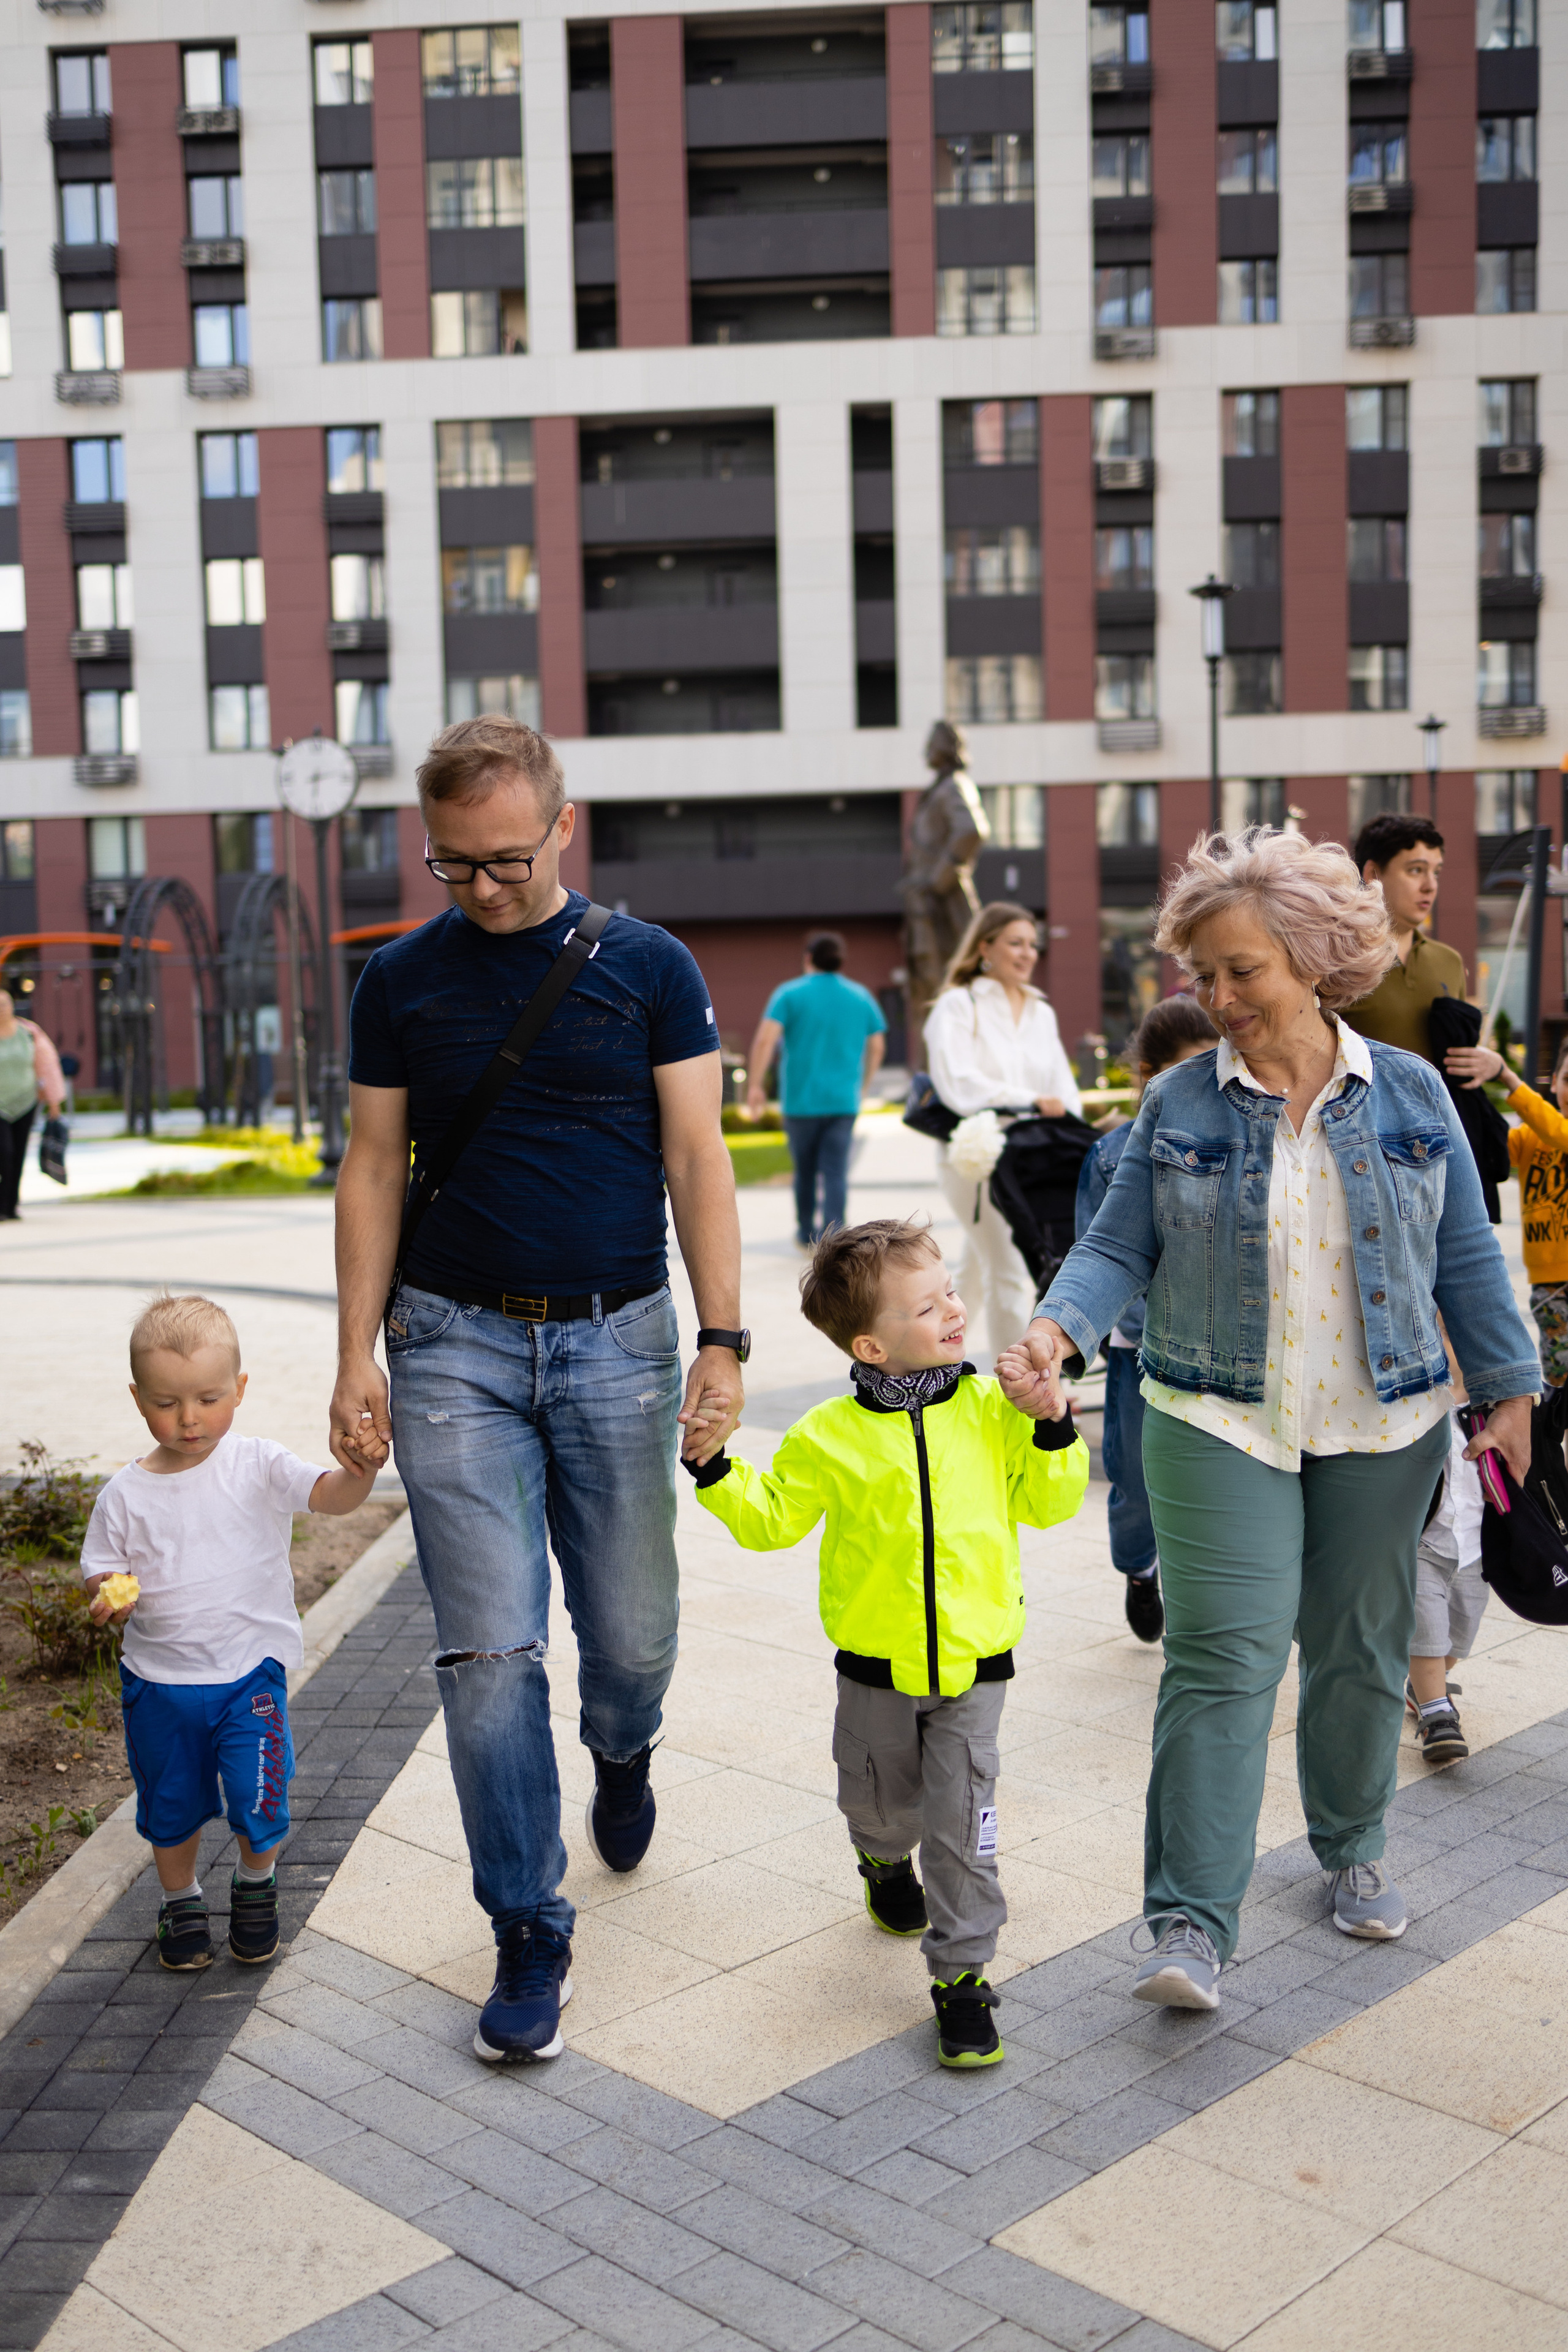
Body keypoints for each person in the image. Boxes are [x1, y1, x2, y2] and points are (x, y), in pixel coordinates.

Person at [1016, 827, 1537, 2011]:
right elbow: (1114, 1246)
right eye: (1203, 974)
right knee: (1222, 1659)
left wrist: (1513, 1395)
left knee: (1358, 1650)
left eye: (1241, 969)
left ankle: (1352, 1847)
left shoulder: (1404, 1091)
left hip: (1385, 1416)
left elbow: (1463, 1256)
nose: (1219, 996)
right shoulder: (1180, 1101)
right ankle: (1189, 1923)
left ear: (1309, 958)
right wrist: (1055, 1333)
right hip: (1215, 1412)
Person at [333, 715, 745, 2067]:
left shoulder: (647, 966)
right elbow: (374, 1167)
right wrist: (355, 1356)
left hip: (619, 1340)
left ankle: (621, 1751)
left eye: (508, 860)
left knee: (627, 1637)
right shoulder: (398, 978)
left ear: (561, 827)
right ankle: (525, 1921)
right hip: (450, 1346)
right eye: (457, 867)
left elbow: (696, 1153)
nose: (487, 888)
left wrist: (724, 1338)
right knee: (488, 1651)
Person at [684, 1219, 1088, 2068]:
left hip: (977, 1669)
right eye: (927, 1303)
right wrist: (716, 1470)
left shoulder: (992, 1409)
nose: (954, 1308)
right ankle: (878, 1862)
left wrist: (1052, 1428)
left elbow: (1049, 1506)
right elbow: (773, 1520)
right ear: (871, 1343)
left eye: (950, 1290)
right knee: (880, 1808)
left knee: (962, 1827)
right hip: (874, 1671)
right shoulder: (829, 1433)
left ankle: (964, 1977)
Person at [81, 1294, 385, 1971]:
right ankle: (180, 1899)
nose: (189, 1419)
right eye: (167, 1403)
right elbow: (101, 1569)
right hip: (159, 1684)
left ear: (240, 1390)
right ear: (138, 1399)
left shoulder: (256, 1464)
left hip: (249, 1675)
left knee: (259, 1795)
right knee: (171, 1804)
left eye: (209, 1398)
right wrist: (108, 1596)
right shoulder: (123, 1496)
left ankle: (255, 1885)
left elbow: (329, 1495)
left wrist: (360, 1472)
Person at [1074, 995, 1217, 1644]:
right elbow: (1099, 1255)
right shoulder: (1108, 1157)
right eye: (1188, 1071)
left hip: (1223, 1349)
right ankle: (1139, 1570)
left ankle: (1207, 1597)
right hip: (1143, 1350)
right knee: (1135, 1480)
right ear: (1148, 1076)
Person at [925, 903, 1081, 1363]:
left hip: (1034, 1156)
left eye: (1033, 944)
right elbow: (957, 1082)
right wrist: (1028, 1099)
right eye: (1015, 943)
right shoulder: (958, 1005)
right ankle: (1025, 1382)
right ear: (984, 948)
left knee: (980, 1267)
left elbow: (1062, 1085)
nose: (1028, 953)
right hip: (980, 1154)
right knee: (1010, 1267)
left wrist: (1069, 1119)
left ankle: (940, 1363)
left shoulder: (1040, 1011)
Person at [746, 933, 887, 1250]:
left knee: (805, 1172)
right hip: (843, 1102)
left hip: (800, 1101)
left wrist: (755, 1085)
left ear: (809, 957)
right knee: (836, 1171)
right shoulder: (860, 996)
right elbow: (877, 1046)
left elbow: (766, 1040)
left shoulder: (789, 993)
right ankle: (835, 1238)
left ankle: (805, 1233)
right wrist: (864, 1085)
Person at [1446, 1035, 1568, 1386]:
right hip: (1548, 1287)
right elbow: (1488, 1152)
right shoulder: (1531, 1135)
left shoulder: (1552, 1129)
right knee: (1559, 1381)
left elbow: (1557, 1130)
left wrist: (1506, 1075)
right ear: (1555, 1081)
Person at [1407, 1336, 1486, 1767]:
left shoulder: (1489, 1405)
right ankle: (1438, 1716)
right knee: (1429, 1630)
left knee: (1461, 1631)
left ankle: (1421, 1686)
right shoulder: (1420, 1404)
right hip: (1425, 1543)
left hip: (1474, 1546)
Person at [1342, 812, 1465, 1061]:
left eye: (1436, 872)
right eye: (1416, 870)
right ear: (1374, 874)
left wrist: (1488, 1065)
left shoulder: (1450, 961)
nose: (1430, 885)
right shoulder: (1337, 959)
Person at [904, 721, 989, 1027]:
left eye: (931, 744)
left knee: (948, 981)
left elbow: (971, 831)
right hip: (926, 901)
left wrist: (937, 882)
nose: (925, 752)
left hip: (944, 904)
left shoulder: (954, 785)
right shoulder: (939, 789)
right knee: (928, 981)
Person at [0, 987, 66, 1221]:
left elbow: (47, 1065)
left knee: (17, 1154)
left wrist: (53, 1103)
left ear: (12, 1006)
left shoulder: (29, 1032)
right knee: (4, 1153)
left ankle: (11, 1206)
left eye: (5, 1004)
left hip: (26, 1102)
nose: (2, 1009)